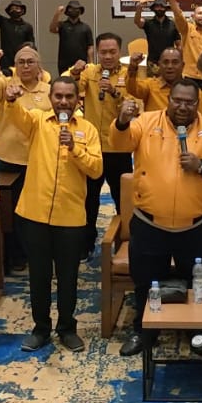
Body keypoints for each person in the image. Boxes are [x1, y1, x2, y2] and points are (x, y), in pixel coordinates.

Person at [111, 80, 202, 358]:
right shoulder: (146, 122)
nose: (182, 107)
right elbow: (120, 143)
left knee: (196, 283)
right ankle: (144, 331)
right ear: (168, 100)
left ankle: (196, 331)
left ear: (197, 104)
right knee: (146, 282)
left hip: (195, 225)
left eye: (189, 102)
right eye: (177, 100)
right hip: (149, 223)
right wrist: (121, 122)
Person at [0, 76, 102, 352]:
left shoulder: (88, 130)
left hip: (71, 216)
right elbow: (16, 115)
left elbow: (96, 170)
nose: (63, 101)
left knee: (68, 277)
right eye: (58, 96)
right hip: (35, 214)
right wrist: (10, 99)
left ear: (78, 99)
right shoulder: (37, 121)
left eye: (69, 96)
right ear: (51, 98)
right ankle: (41, 328)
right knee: (39, 276)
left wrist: (75, 148)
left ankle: (67, 328)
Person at [0, 46, 53, 272]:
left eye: (30, 62)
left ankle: (37, 252)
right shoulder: (6, 86)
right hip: (9, 158)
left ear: (39, 66)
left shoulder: (49, 91)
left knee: (37, 210)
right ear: (15, 66)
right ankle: (12, 256)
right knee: (9, 212)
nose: (25, 66)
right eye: (21, 62)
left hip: (38, 159)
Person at [72, 33, 133, 251]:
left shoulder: (129, 75)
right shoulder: (89, 72)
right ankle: (86, 242)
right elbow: (73, 89)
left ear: (120, 52)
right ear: (97, 52)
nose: (108, 56)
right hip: (92, 148)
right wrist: (75, 72)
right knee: (89, 199)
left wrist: (114, 92)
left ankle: (125, 241)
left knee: (122, 198)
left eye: (112, 52)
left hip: (118, 147)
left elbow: (133, 106)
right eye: (103, 52)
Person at [125, 47, 202, 114]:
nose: (170, 66)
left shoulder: (193, 91)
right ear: (159, 65)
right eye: (165, 62)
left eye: (175, 62)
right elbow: (132, 88)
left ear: (182, 65)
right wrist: (133, 68)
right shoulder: (150, 86)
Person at [0, 0, 35, 72]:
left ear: (22, 11)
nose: (14, 10)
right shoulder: (3, 22)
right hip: (6, 61)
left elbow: (31, 45)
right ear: (9, 11)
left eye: (17, 8)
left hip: (22, 60)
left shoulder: (27, 27)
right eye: (12, 8)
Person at [49, 0, 95, 70]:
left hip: (81, 64)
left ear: (80, 11)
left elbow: (90, 47)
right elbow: (52, 29)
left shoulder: (85, 27)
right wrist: (57, 13)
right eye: (71, 9)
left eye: (76, 9)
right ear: (67, 11)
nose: (74, 11)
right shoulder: (62, 25)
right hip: (64, 64)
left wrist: (91, 64)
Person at [134, 0, 180, 64]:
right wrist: (139, 8)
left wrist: (179, 59)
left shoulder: (173, 24)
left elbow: (179, 45)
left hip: (169, 63)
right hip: (152, 62)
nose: (159, 9)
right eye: (157, 6)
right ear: (153, 8)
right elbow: (137, 21)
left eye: (162, 6)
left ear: (165, 8)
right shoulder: (148, 23)